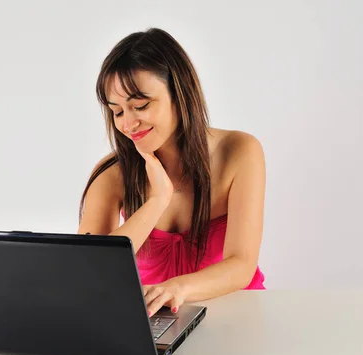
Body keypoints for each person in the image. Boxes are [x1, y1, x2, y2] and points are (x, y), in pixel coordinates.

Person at [78, 28, 266, 317]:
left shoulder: (240, 151)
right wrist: (157, 200)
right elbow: (89, 272)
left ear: (180, 95)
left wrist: (178, 288)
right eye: (117, 112)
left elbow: (242, 264)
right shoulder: (111, 174)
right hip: (155, 322)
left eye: (140, 106)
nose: (128, 124)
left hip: (238, 316)